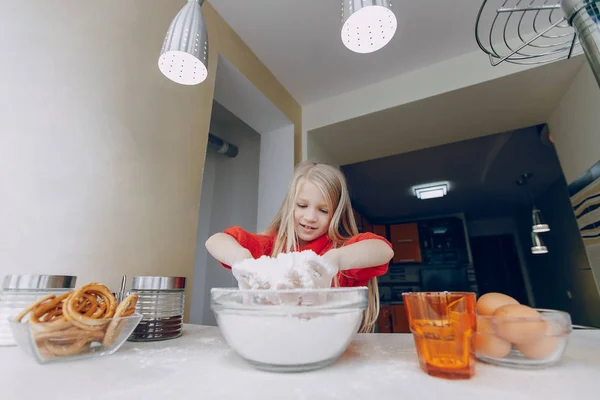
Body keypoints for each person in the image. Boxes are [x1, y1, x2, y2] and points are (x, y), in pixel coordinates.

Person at [205, 161, 394, 333]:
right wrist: (241, 259)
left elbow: (384, 250)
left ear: (336, 214)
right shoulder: (273, 246)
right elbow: (215, 241)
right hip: (275, 342)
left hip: (328, 345)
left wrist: (334, 260)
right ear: (290, 206)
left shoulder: (340, 250)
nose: (310, 217)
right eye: (302, 205)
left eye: (323, 210)